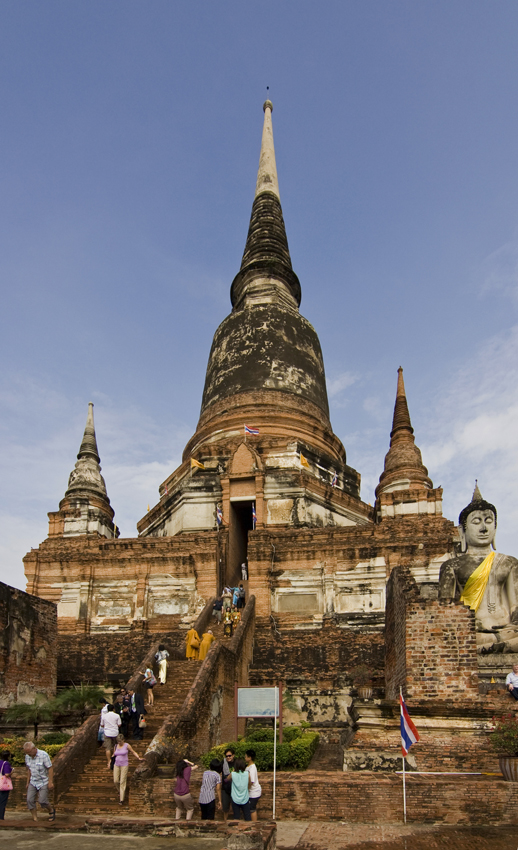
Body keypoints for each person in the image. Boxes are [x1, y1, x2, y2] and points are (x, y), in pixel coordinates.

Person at [438, 485, 518, 652]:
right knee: (454, 641)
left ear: (495, 528)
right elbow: (447, 611)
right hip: (472, 633)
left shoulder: (509, 562)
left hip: (507, 632)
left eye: (488, 522)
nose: (483, 528)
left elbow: (515, 607)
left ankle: (494, 645)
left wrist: (511, 627)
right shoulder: (452, 566)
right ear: (462, 530)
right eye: (476, 522)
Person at [24, 742, 55, 823]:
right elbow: (29, 770)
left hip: (43, 781)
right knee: (29, 800)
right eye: (27, 753)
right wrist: (27, 782)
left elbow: (50, 768)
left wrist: (50, 782)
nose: (29, 754)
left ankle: (51, 810)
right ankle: (35, 818)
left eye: (30, 752)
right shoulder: (27, 757)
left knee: (42, 800)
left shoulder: (43, 755)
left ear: (34, 749)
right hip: (33, 781)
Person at [112, 734, 142, 805]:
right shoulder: (116, 746)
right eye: (118, 741)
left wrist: (138, 757)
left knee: (122, 781)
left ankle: (121, 799)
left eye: (120, 741)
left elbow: (133, 751)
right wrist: (110, 761)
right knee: (116, 780)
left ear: (123, 740)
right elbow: (114, 754)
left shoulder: (126, 745)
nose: (119, 743)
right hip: (116, 764)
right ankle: (120, 791)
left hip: (124, 765)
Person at [100, 703, 122, 768]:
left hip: (107, 732)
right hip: (115, 732)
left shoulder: (104, 716)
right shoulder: (117, 715)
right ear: (113, 709)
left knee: (108, 748)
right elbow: (119, 724)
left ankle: (109, 761)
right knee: (115, 746)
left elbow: (102, 725)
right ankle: (114, 758)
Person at [230, 757, 251, 821]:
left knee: (236, 816)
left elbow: (226, 780)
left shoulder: (232, 774)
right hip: (245, 797)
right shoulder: (247, 774)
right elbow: (249, 784)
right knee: (247, 816)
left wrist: (233, 771)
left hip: (235, 798)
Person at [245, 749, 261, 821]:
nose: (245, 758)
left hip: (254, 792)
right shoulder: (248, 767)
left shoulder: (252, 768)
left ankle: (254, 825)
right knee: (249, 808)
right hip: (249, 792)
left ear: (250, 757)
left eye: (246, 756)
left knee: (252, 809)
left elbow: (251, 781)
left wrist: (246, 789)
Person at [221, 747, 235, 821]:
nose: (228, 757)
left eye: (229, 755)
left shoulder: (236, 763)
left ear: (233, 755)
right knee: (225, 807)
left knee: (235, 806)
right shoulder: (223, 763)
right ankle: (225, 821)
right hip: (225, 788)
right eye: (226, 756)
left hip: (234, 787)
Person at [0, 750, 13, 820]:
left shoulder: (0, 762)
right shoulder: (6, 763)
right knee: (2, 801)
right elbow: (7, 774)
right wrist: (12, 772)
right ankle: (1, 817)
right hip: (3, 785)